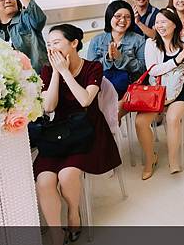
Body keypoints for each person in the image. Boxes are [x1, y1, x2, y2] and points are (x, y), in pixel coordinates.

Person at [35, 24, 121, 245]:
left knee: (67, 175)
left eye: (56, 43)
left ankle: (74, 213)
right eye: (49, 44)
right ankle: (56, 233)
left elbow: (85, 100)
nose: (51, 48)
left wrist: (65, 71)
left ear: (73, 43)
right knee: (44, 180)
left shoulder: (93, 67)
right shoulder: (46, 71)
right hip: (58, 133)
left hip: (87, 130)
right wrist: (56, 72)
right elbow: (49, 107)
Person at [137, 8, 184, 180]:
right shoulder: (151, 44)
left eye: (164, 22)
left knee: (172, 118)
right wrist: (177, 60)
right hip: (158, 91)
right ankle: (150, 159)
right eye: (157, 22)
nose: (160, 25)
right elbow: (153, 70)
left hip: (183, 90)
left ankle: (173, 160)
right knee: (140, 122)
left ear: (174, 24)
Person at [88, 1, 146, 119]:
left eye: (127, 17)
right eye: (118, 16)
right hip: (101, 88)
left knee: (111, 113)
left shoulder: (139, 40)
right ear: (110, 17)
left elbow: (143, 68)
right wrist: (108, 59)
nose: (123, 20)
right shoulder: (97, 40)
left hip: (129, 89)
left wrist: (121, 58)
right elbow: (90, 69)